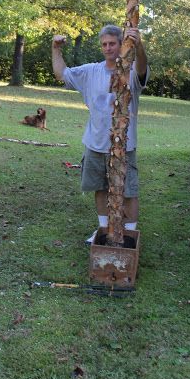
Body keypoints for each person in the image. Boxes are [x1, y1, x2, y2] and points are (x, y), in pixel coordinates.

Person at [52, 25, 149, 243]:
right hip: (95, 143)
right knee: (100, 187)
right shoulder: (90, 71)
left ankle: (130, 235)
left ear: (121, 43)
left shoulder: (130, 71)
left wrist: (139, 44)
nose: (108, 48)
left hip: (125, 145)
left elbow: (143, 70)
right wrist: (56, 49)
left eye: (112, 43)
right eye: (104, 44)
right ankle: (103, 231)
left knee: (129, 191)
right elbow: (61, 74)